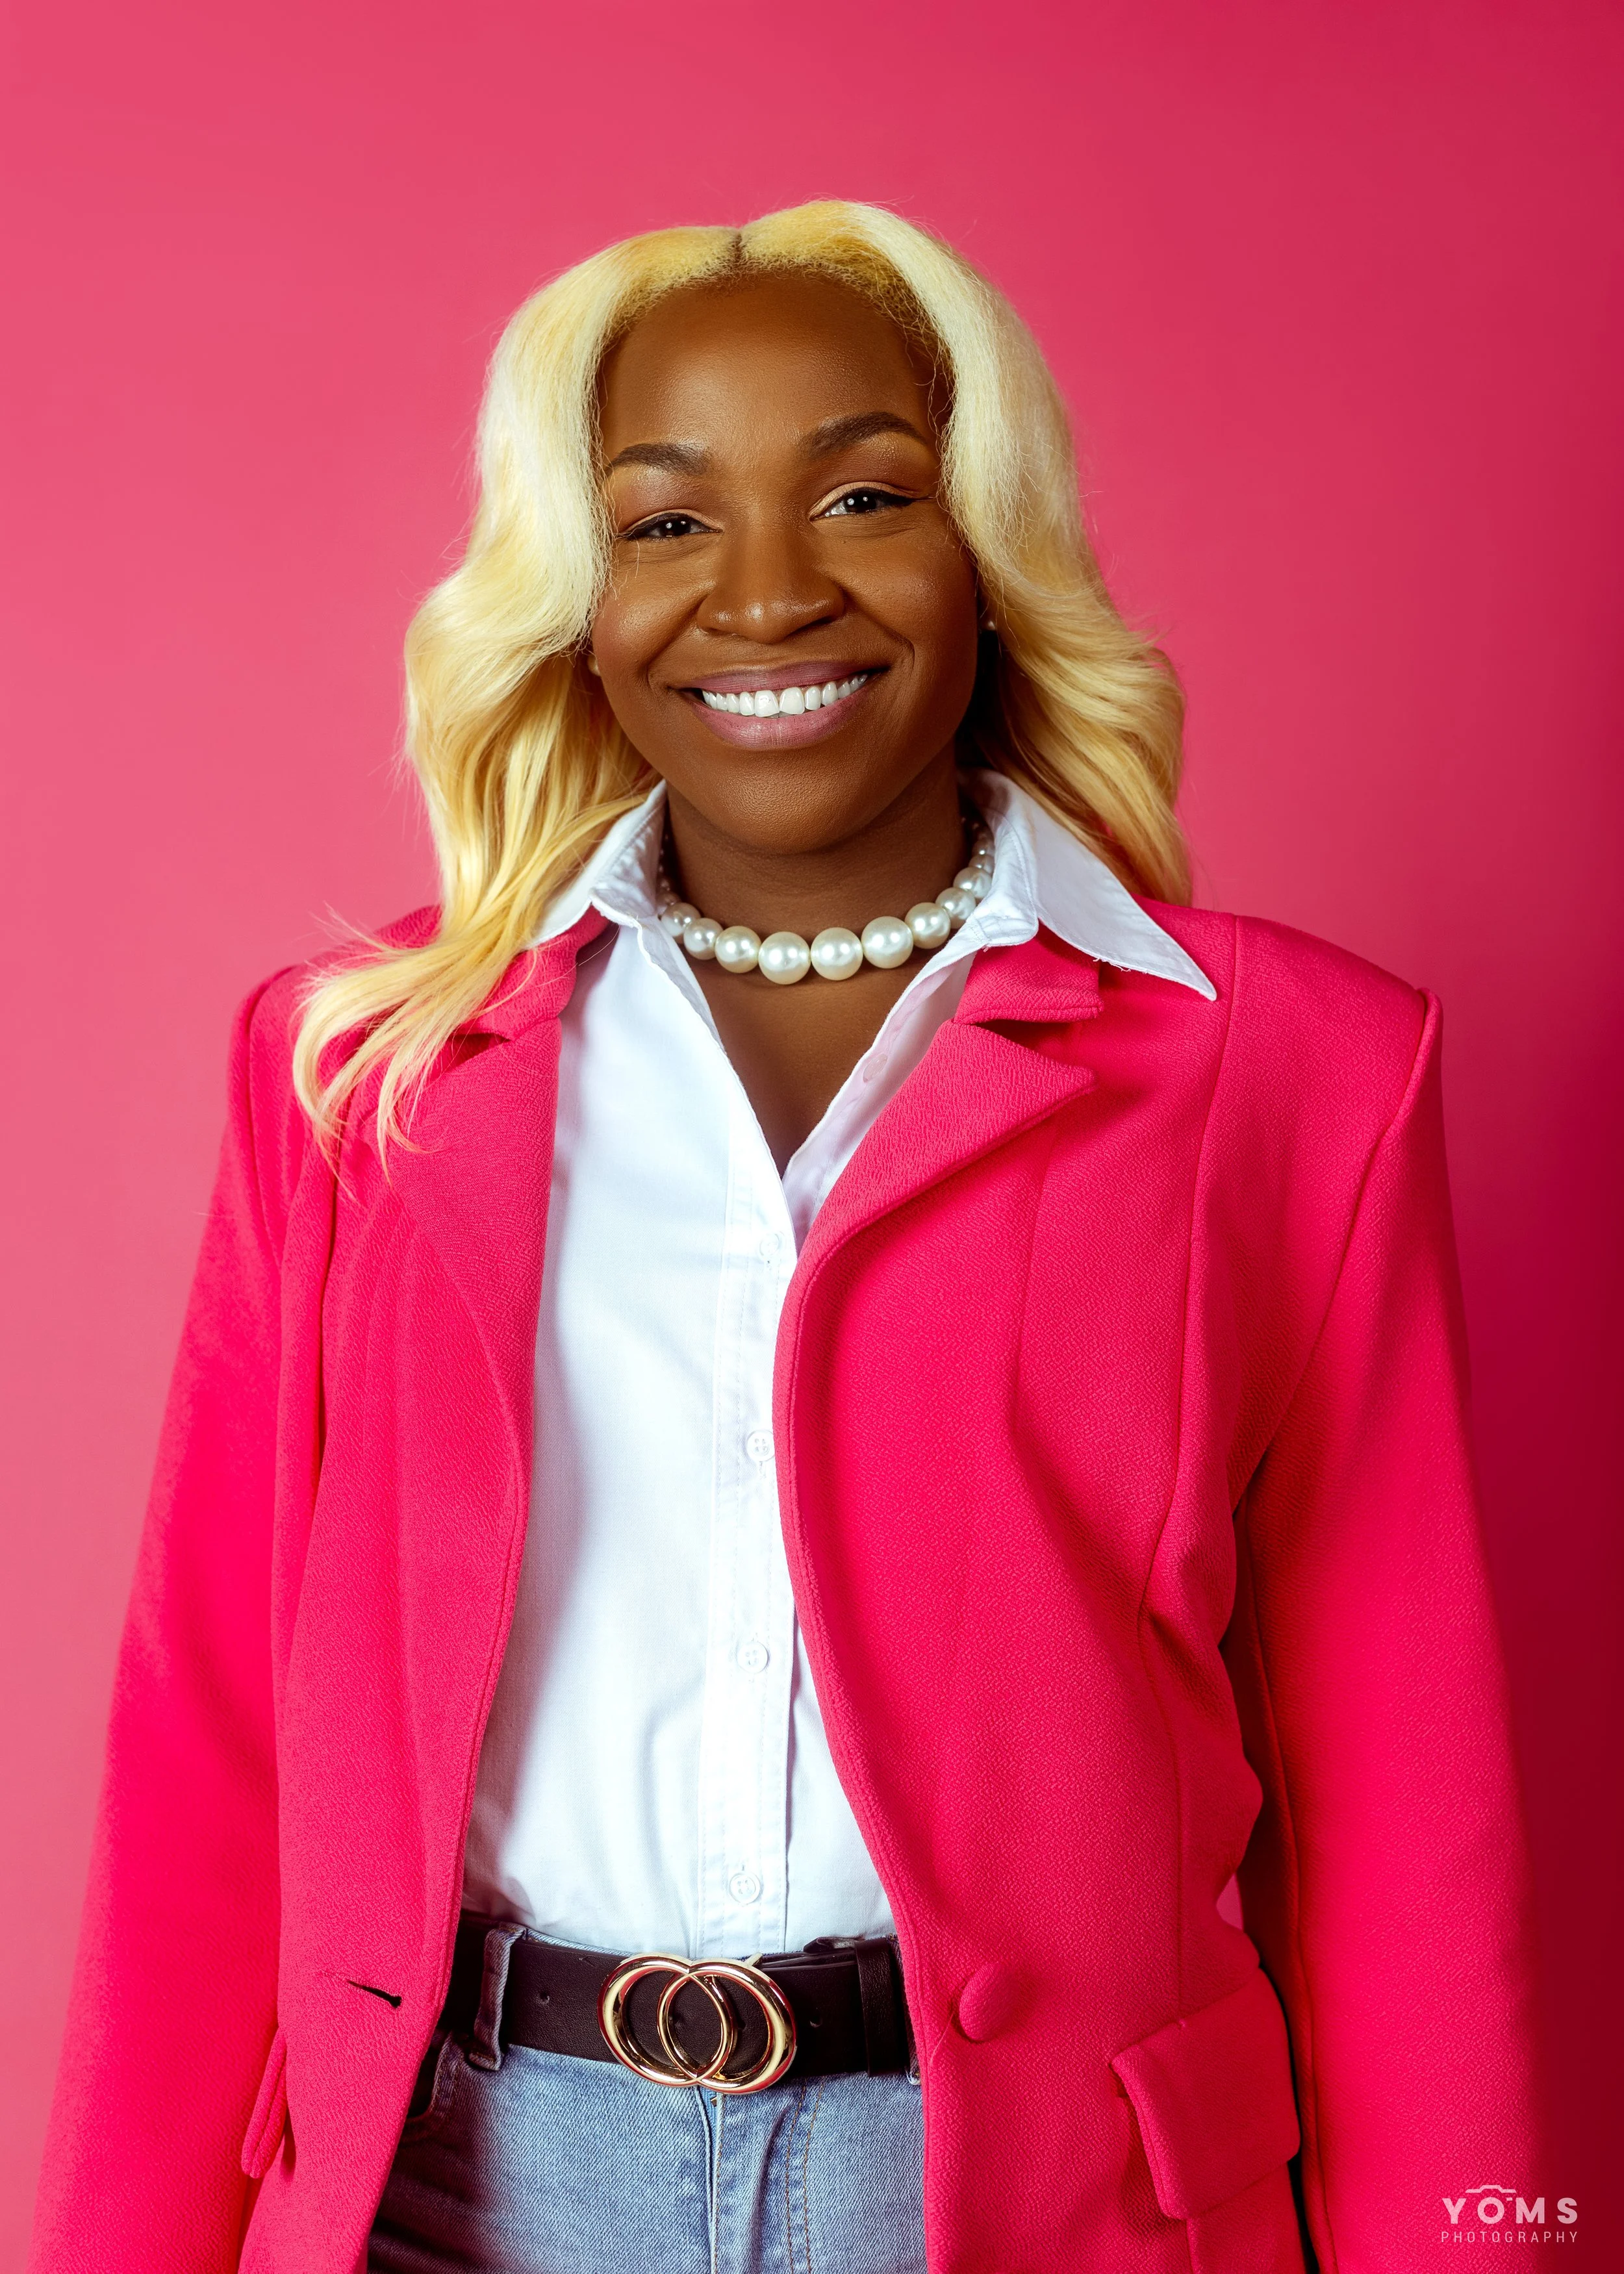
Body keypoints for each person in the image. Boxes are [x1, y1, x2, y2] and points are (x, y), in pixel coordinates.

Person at [29, 201, 1542, 2274]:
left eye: (864, 493)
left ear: (986, 552)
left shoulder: (1292, 1072)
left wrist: (1487, 2239)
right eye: (662, 522)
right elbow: (213, 1732)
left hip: (1036, 2203)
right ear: (574, 594)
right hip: (459, 2189)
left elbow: (1406, 1816)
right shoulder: (361, 1071)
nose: (765, 592)